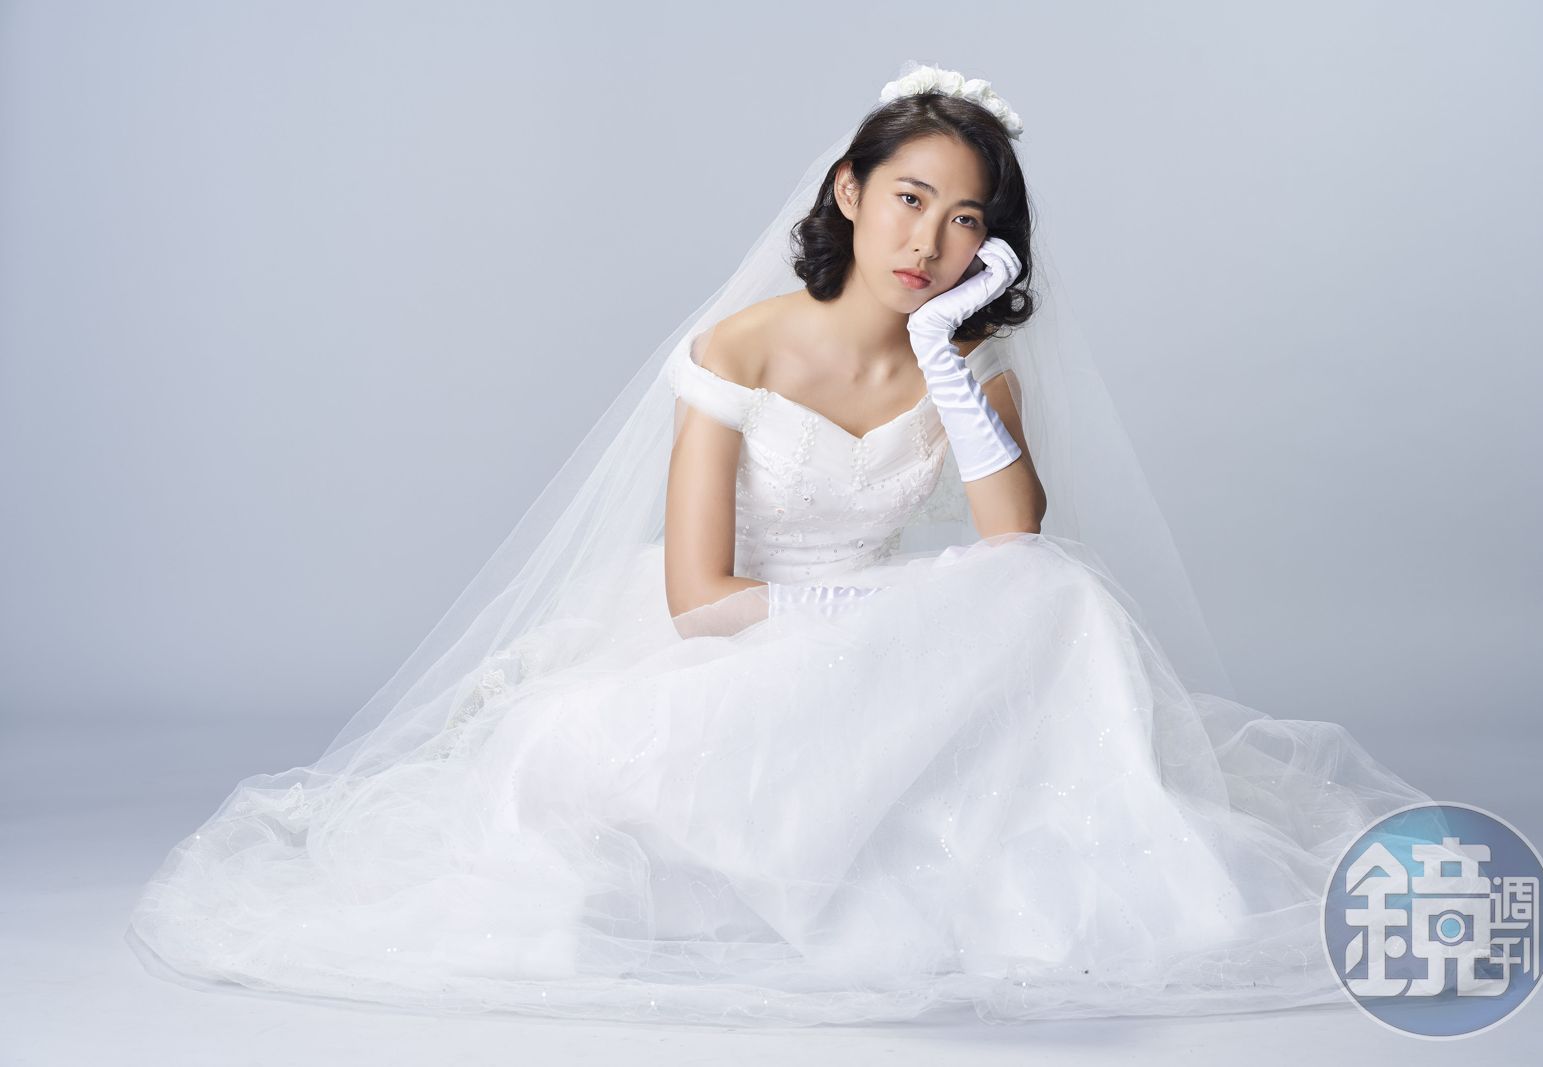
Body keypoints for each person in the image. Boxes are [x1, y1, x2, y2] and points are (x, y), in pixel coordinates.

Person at [125, 60, 1434, 1028]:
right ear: (850, 193)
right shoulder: (738, 349)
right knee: (634, 770)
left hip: (881, 636)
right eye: (909, 198)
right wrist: (853, 625)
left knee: (1053, 598)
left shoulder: (972, 366)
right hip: (727, 644)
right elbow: (697, 597)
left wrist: (943, 355)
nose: (930, 239)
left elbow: (1018, 544)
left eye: (967, 219)